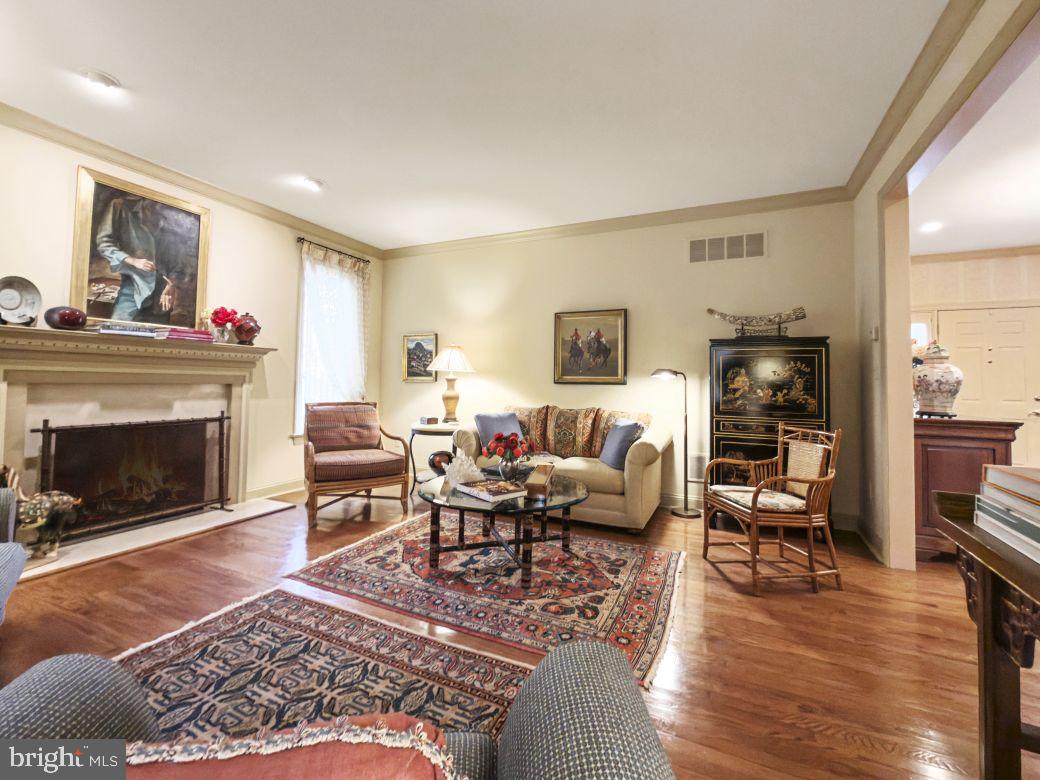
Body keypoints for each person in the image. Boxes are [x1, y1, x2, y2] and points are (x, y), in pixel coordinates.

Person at [94, 194, 185, 323]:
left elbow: (178, 260)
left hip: (162, 294)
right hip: (134, 285)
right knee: (116, 329)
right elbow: (104, 243)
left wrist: (171, 284)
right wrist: (133, 260)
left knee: (158, 339)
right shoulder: (119, 206)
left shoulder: (173, 221)